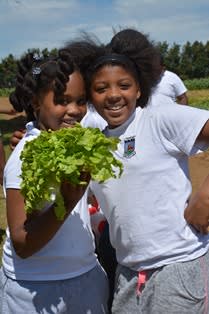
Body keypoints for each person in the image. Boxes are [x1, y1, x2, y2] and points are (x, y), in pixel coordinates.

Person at [71, 28, 209, 313]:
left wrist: (206, 194)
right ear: (89, 95)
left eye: (124, 85)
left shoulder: (160, 119)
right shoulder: (94, 138)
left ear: (139, 88)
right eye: (100, 88)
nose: (113, 95)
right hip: (128, 273)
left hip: (178, 266)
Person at [0, 51, 109, 313]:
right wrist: (67, 202)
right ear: (37, 103)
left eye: (81, 101)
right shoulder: (25, 156)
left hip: (84, 275)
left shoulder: (72, 143)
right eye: (61, 101)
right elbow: (23, 243)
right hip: (36, 289)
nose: (74, 110)